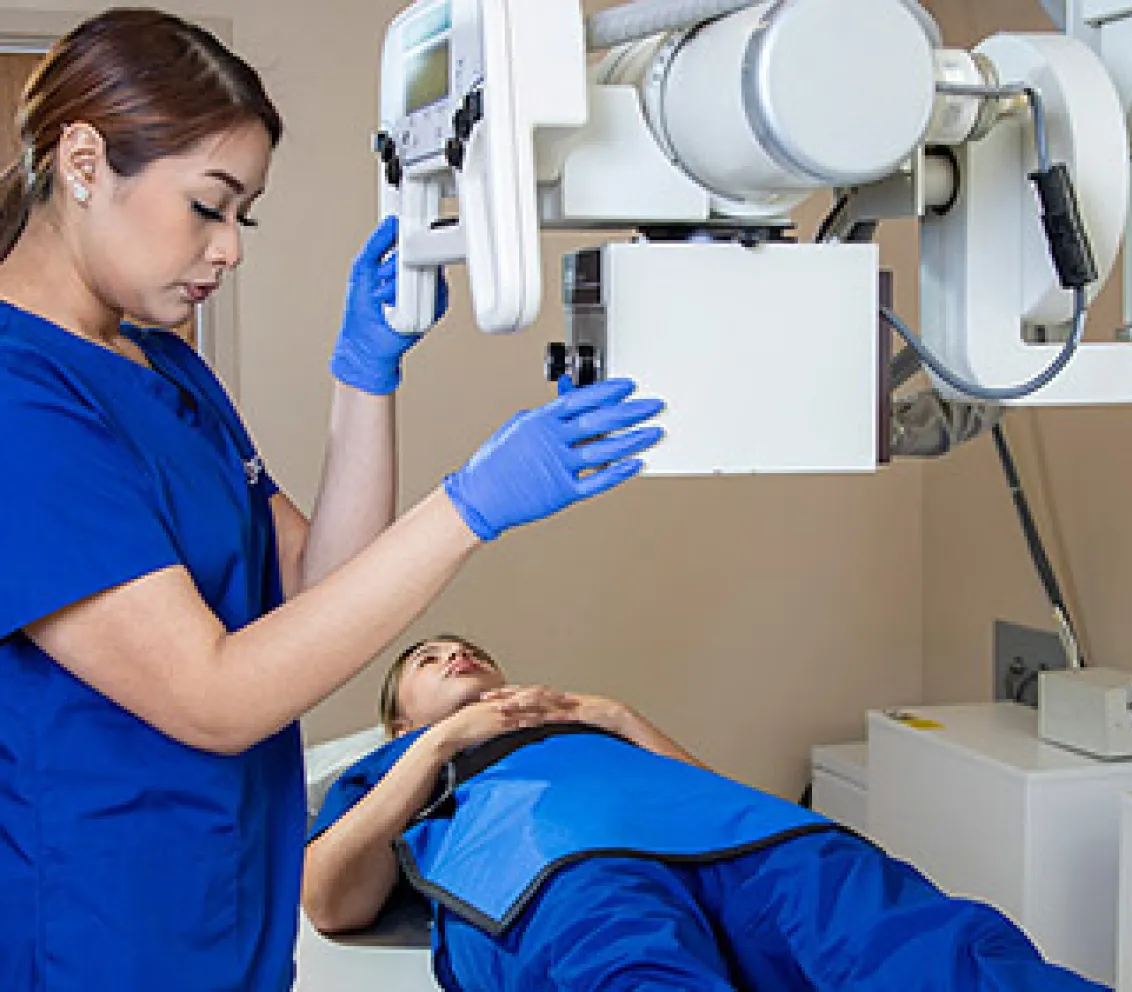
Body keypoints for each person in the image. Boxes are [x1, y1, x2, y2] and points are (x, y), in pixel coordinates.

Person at [0, 9, 662, 991]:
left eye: (244, 216)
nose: (229, 250)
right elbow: (214, 695)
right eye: (208, 205)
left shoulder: (163, 366)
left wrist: (367, 377)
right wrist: (471, 503)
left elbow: (316, 586)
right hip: (104, 935)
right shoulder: (21, 394)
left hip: (232, 919)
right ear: (86, 160)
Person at [304, 635, 1106, 992]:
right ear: (399, 721)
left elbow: (719, 795)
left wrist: (614, 715)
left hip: (748, 844)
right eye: (428, 661)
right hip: (560, 871)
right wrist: (441, 742)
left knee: (927, 950)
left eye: (466, 649)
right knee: (634, 974)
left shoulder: (583, 721)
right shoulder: (391, 768)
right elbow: (330, 902)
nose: (455, 656)